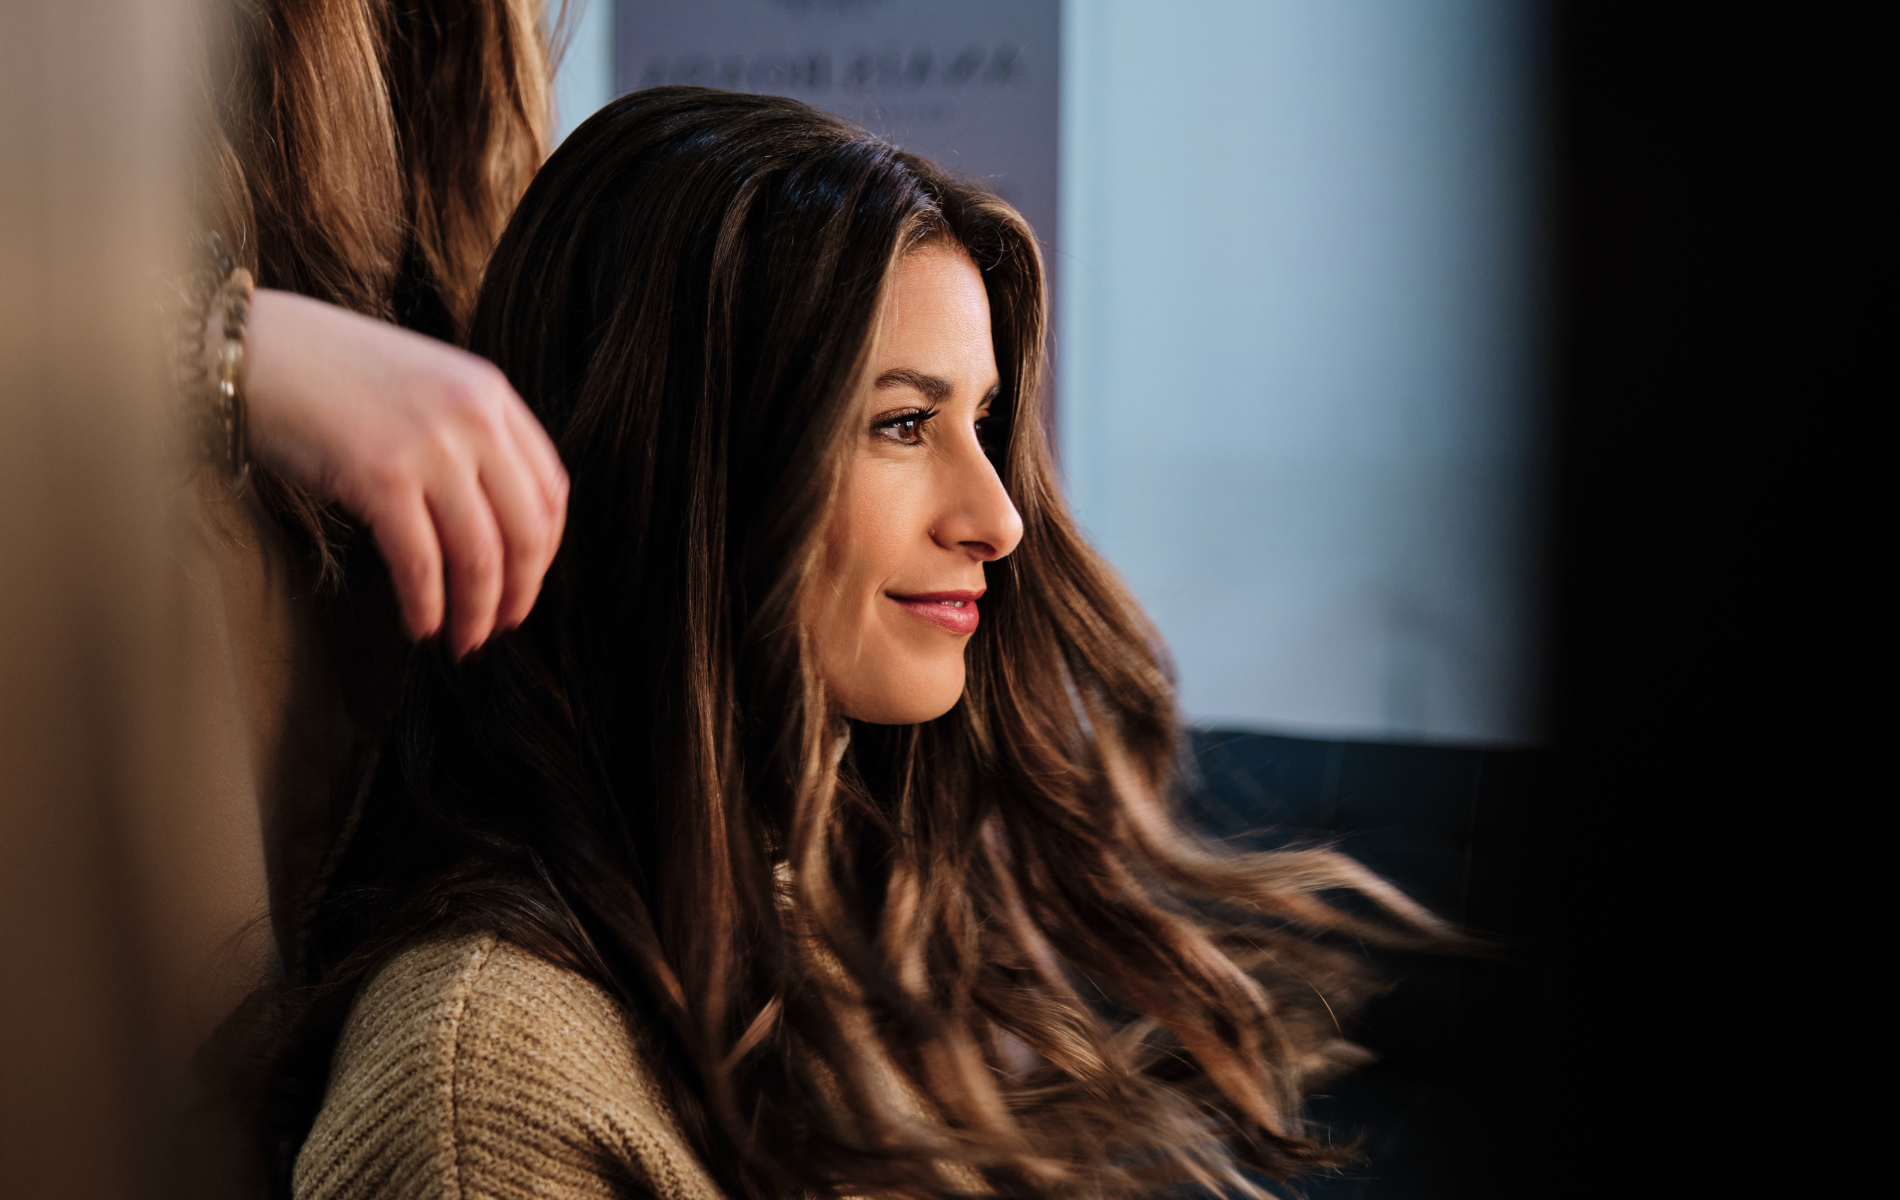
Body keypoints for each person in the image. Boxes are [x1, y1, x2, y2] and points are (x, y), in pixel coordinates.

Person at [274, 88, 1448, 1200]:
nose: (997, 518)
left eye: (981, 423)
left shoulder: (835, 924)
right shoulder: (489, 1083)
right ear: (689, 471)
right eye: (902, 423)